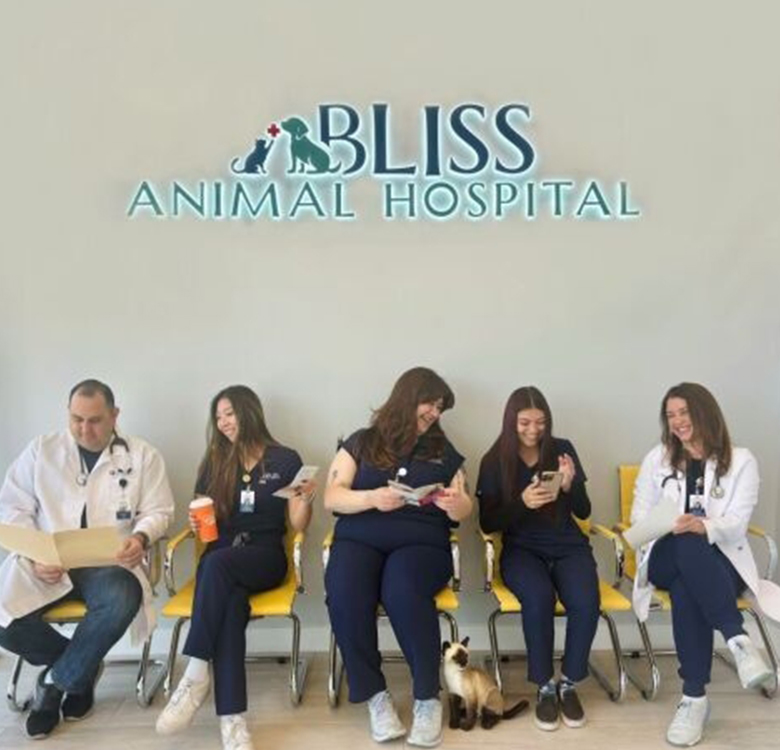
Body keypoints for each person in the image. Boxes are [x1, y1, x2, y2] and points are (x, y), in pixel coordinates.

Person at [0, 379, 174, 739]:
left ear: (114, 415)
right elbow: (13, 507)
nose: (84, 429)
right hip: (47, 564)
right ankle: (80, 670)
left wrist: (141, 537)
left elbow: (159, 510)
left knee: (122, 597)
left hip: (108, 566)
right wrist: (34, 554)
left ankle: (53, 684)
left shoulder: (143, 455)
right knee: (2, 615)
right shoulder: (42, 450)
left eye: (94, 420)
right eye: (76, 419)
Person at [156, 385, 314, 750]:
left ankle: (195, 672)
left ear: (250, 413)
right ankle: (233, 721)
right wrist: (196, 524)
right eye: (218, 417)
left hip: (264, 556)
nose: (224, 422)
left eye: (230, 413)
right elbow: (203, 520)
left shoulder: (285, 459)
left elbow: (299, 524)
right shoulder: (215, 461)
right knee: (229, 608)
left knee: (216, 566)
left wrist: (305, 499)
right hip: (222, 556)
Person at [324, 367, 472, 748]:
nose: (434, 413)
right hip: (359, 540)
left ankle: (427, 698)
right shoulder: (361, 442)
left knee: (403, 590)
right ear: (407, 398)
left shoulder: (443, 451)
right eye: (430, 403)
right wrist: (372, 498)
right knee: (344, 592)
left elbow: (465, 507)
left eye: (440, 407)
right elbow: (332, 497)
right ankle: (375, 696)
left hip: (422, 544)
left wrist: (456, 504)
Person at [632, 382, 780, 747]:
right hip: (665, 556)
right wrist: (670, 525)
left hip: (722, 561)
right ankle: (738, 640)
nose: (677, 421)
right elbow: (639, 515)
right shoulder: (657, 459)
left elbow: (738, 523)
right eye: (671, 415)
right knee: (685, 542)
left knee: (688, 587)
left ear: (705, 412)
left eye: (684, 412)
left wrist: (705, 526)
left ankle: (694, 699)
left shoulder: (741, 460)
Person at [477, 386, 599, 732]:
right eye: (525, 423)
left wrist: (571, 486)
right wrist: (522, 504)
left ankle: (569, 683)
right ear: (511, 422)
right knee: (539, 597)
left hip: (568, 545)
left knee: (586, 601)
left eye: (541, 422)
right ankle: (545, 686)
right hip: (522, 550)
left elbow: (584, 510)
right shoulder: (493, 460)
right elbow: (487, 522)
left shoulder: (562, 450)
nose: (534, 430)